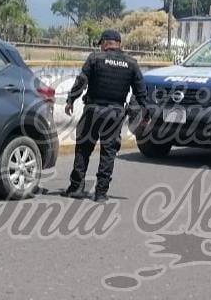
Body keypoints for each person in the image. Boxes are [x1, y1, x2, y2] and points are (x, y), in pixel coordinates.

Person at [62, 29, 149, 203]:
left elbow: (81, 81)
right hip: (115, 113)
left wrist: (71, 100)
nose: (101, 46)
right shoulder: (131, 63)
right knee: (108, 152)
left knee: (83, 148)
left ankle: (76, 188)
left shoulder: (95, 58)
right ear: (119, 44)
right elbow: (141, 92)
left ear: (106, 42)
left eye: (101, 43)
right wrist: (146, 113)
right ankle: (101, 193)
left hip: (93, 110)